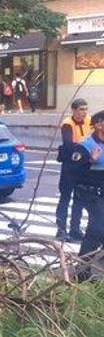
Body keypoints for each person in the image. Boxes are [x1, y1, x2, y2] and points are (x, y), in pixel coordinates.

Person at [69, 110, 104, 281]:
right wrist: (90, 160)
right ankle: (82, 270)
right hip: (89, 193)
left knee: (96, 230)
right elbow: (73, 171)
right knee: (98, 227)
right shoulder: (84, 145)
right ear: (98, 125)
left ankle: (83, 269)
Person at [56, 98, 91, 242]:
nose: (84, 112)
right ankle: (61, 229)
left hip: (83, 166)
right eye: (82, 109)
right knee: (65, 198)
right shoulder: (67, 124)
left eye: (86, 109)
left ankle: (75, 229)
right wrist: (86, 145)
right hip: (70, 166)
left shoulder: (90, 120)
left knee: (79, 199)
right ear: (74, 110)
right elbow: (69, 144)